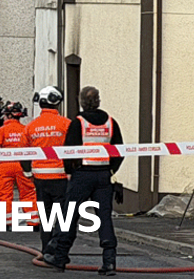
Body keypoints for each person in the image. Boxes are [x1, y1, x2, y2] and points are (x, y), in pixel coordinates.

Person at [43, 86, 124, 276]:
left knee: (69, 215)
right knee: (104, 217)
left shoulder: (78, 123)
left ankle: (60, 258)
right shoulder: (111, 122)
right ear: (99, 101)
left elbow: (69, 151)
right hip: (104, 175)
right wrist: (111, 169)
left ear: (81, 102)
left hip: (82, 175)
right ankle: (109, 262)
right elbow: (119, 151)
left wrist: (70, 172)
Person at [26, 85, 72, 252]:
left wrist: (28, 173)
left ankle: (46, 249)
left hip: (40, 178)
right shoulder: (66, 124)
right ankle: (58, 249)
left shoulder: (31, 126)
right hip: (61, 177)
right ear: (57, 103)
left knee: (45, 216)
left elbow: (24, 152)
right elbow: (74, 149)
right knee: (62, 216)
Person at [0, 101, 39, 228]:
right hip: (23, 166)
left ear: (8, 116)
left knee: (5, 194)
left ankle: (7, 222)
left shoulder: (2, 131)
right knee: (28, 193)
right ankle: (33, 221)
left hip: (5, 166)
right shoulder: (25, 129)